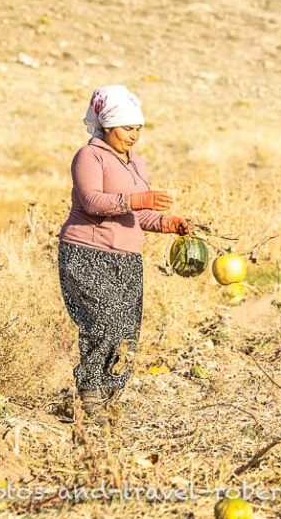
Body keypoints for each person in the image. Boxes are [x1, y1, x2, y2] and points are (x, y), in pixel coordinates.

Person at [58, 85, 194, 426]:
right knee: (101, 323)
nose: (133, 136)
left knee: (126, 331)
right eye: (126, 128)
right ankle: (90, 395)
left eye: (138, 128)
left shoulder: (137, 164)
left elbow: (139, 216)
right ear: (107, 126)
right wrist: (139, 201)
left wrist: (168, 222)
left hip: (127, 258)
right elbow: (92, 201)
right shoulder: (90, 156)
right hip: (87, 252)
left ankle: (110, 397)